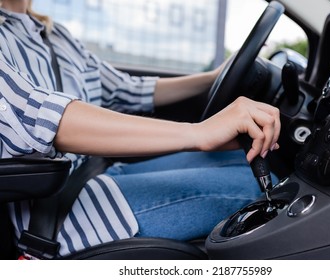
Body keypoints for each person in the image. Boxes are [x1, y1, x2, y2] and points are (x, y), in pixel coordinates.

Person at [0, 0, 280, 257]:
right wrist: (198, 133)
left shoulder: (54, 34)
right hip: (54, 217)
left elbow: (125, 88)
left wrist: (213, 77)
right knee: (252, 185)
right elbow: (41, 116)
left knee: (240, 159)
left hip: (95, 172)